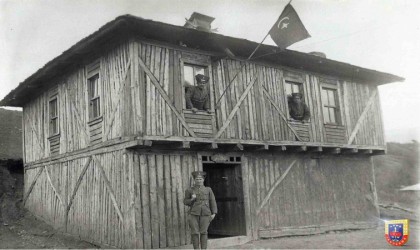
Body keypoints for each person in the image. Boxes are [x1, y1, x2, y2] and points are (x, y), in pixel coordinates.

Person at [184, 171, 217, 249]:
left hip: (206, 213)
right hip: (193, 214)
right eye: (197, 179)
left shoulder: (208, 189)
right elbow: (185, 201)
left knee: (204, 232)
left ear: (203, 180)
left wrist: (214, 213)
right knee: (195, 233)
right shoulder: (189, 190)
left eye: (200, 179)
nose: (199, 180)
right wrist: (192, 199)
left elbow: (212, 201)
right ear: (194, 180)